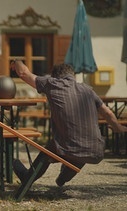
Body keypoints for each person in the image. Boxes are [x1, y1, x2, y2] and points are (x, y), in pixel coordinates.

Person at [11, 61, 127, 189]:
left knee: (50, 150)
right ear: (73, 76)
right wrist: (118, 128)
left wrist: (16, 62)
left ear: (55, 77)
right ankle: (62, 178)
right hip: (96, 152)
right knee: (81, 148)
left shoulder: (52, 84)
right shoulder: (88, 90)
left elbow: (23, 73)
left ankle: (27, 178)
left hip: (68, 148)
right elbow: (108, 113)